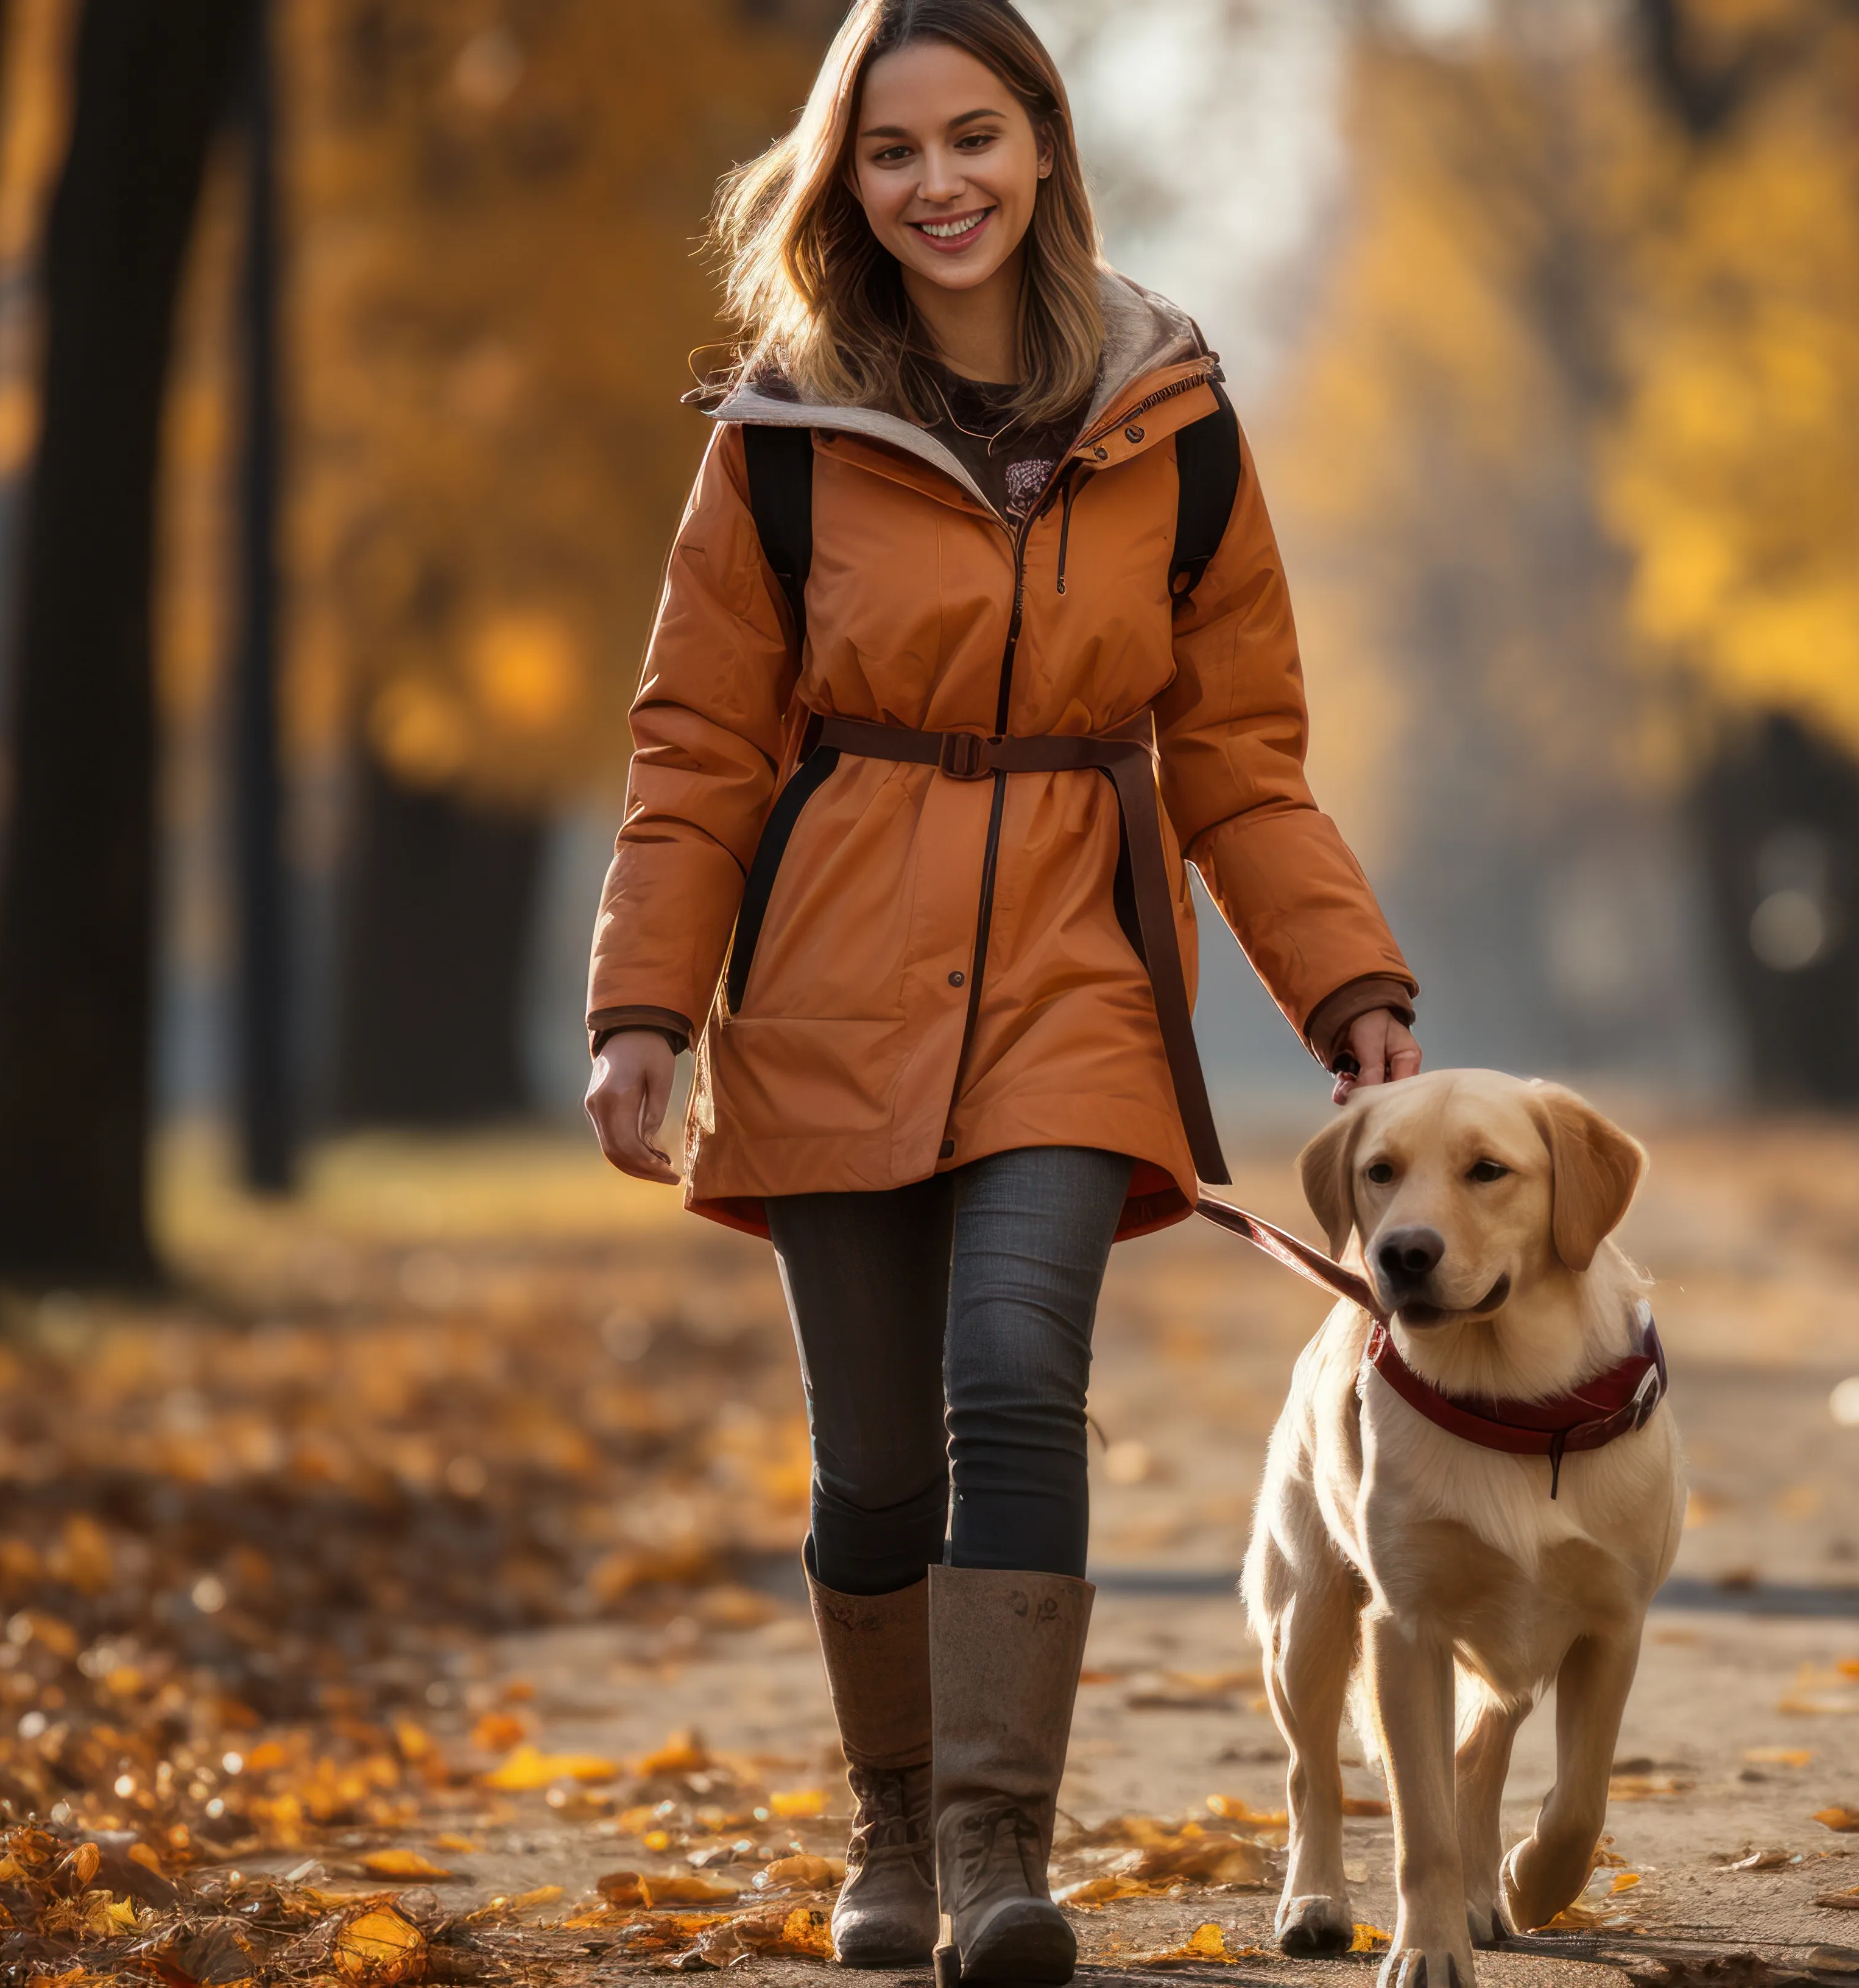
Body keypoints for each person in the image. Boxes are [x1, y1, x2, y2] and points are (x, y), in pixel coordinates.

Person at [577, 3, 1418, 1979]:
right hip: (833, 977)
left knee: (1019, 1372)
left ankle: (996, 1858)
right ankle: (886, 1825)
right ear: (843, 182)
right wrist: (644, 1015)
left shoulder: (1174, 413)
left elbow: (1240, 756)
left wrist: (1347, 984)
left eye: (974, 137)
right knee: (874, 1459)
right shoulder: (779, 435)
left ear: (1041, 141)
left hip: (1073, 966)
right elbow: (697, 746)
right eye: (892, 153)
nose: (938, 183)